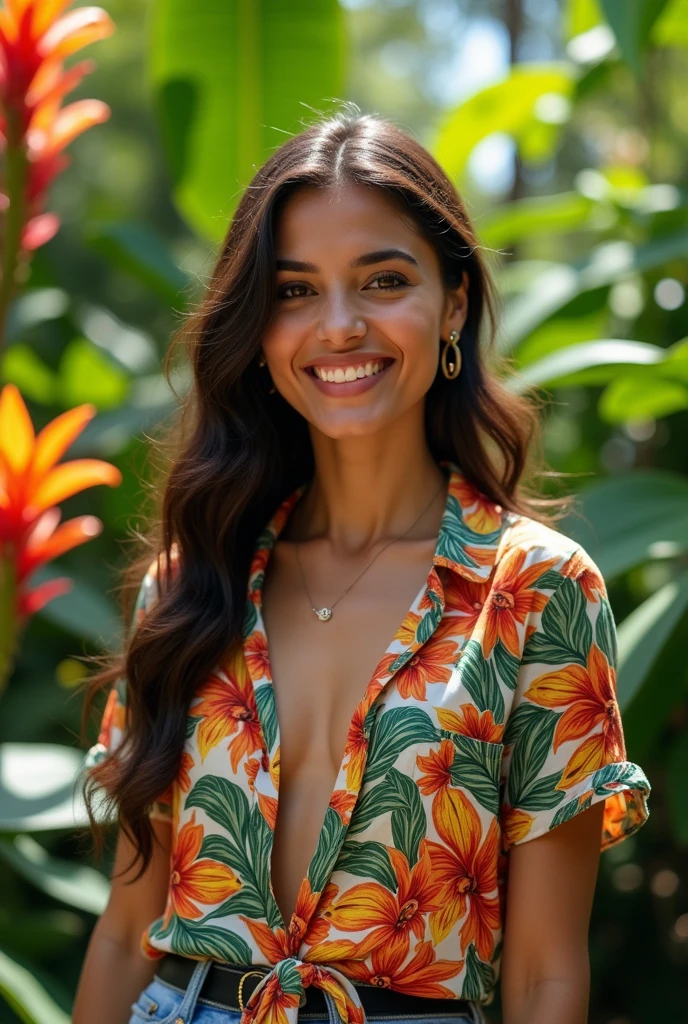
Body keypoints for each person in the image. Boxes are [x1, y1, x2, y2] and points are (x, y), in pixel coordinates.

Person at [73, 106, 651, 1024]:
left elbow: (547, 974)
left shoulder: (537, 594)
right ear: (258, 326)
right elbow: (123, 929)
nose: (338, 327)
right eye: (295, 291)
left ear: (454, 301)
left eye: (382, 280)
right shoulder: (190, 584)